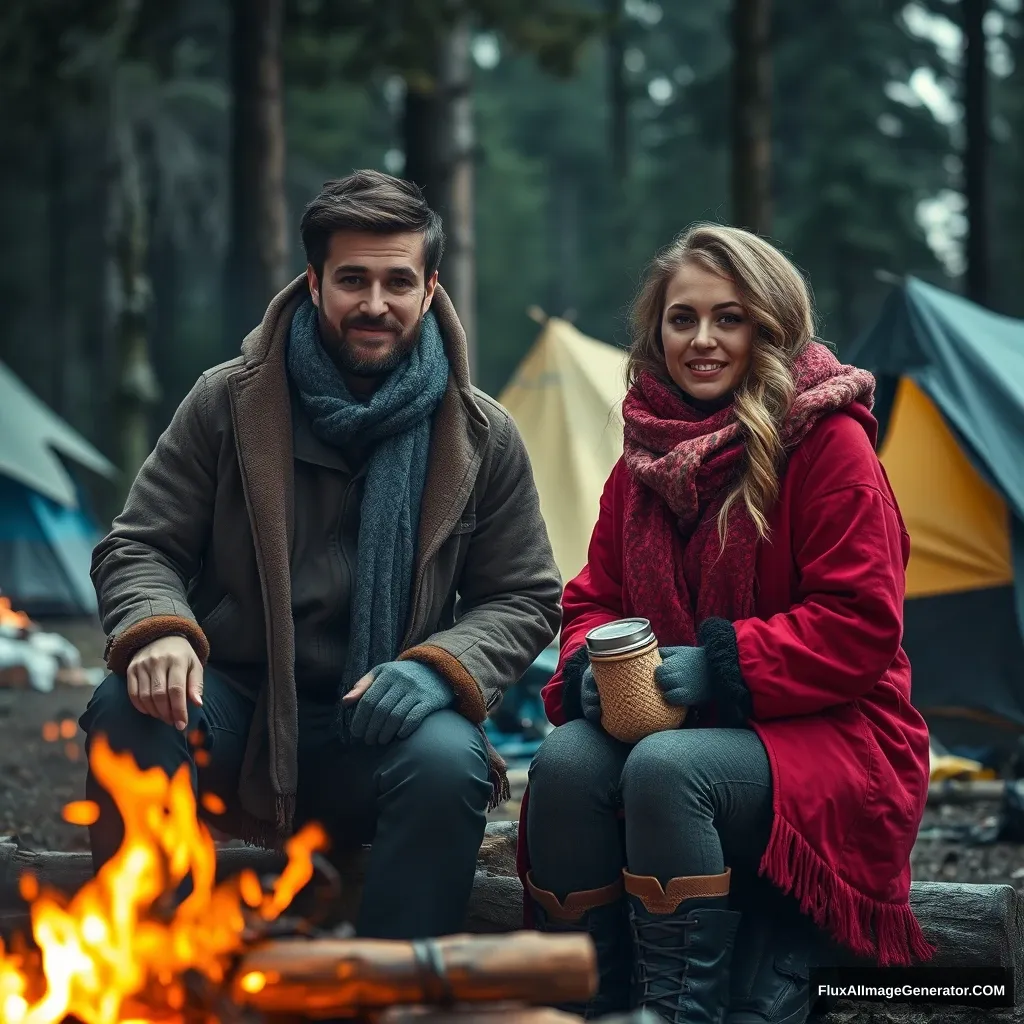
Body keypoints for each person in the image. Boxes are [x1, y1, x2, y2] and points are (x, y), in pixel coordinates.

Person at [80, 169, 562, 940]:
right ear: (314, 283)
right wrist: (160, 626)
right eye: (353, 279)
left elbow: (526, 595)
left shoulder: (479, 433)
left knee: (451, 762)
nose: (375, 304)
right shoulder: (226, 401)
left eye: (398, 281)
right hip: (238, 705)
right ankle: (155, 972)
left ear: (431, 287)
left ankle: (395, 991)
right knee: (127, 712)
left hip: (381, 721)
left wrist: (439, 667)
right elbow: (140, 544)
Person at [516, 223, 933, 1024]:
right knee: (568, 759)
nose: (701, 340)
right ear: (656, 330)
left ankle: (680, 1012)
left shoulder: (830, 443)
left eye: (729, 318)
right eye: (683, 319)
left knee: (670, 769)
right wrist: (590, 672)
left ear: (769, 328)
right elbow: (593, 598)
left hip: (841, 733)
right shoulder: (643, 459)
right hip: (692, 724)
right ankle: (592, 1004)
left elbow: (861, 625)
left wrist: (720, 663)